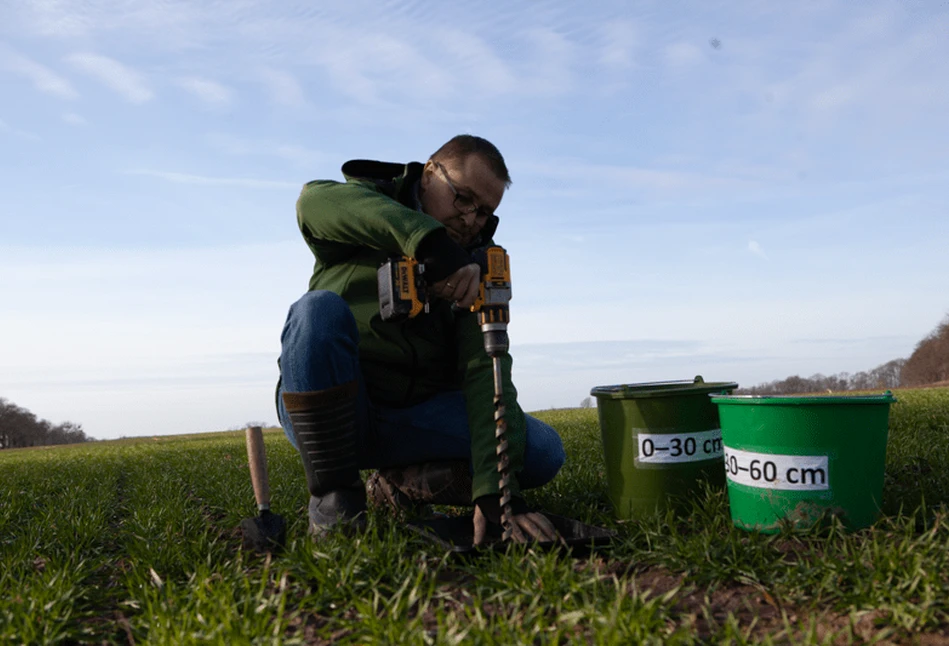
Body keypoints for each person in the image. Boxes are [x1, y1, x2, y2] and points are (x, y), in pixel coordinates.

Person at [276, 134, 565, 544]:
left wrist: (497, 498)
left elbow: (484, 371)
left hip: (412, 420)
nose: (470, 220)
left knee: (542, 450)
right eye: (463, 198)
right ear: (430, 173)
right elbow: (312, 202)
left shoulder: (478, 264)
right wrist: (430, 243)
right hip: (332, 414)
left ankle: (398, 485)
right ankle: (335, 501)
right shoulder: (364, 204)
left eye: (484, 212)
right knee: (316, 310)